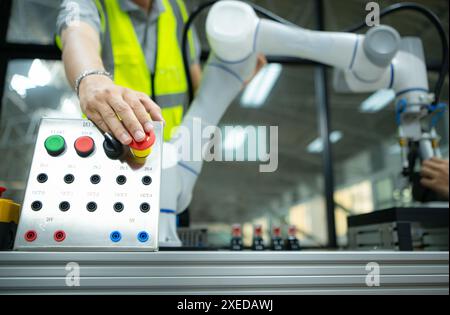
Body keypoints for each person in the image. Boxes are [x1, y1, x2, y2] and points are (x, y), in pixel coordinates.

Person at [56, 0, 205, 143]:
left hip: (173, 150)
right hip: (114, 150)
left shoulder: (176, 7)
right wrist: (92, 81)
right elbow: (77, 36)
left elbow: (196, 81)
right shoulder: (88, 3)